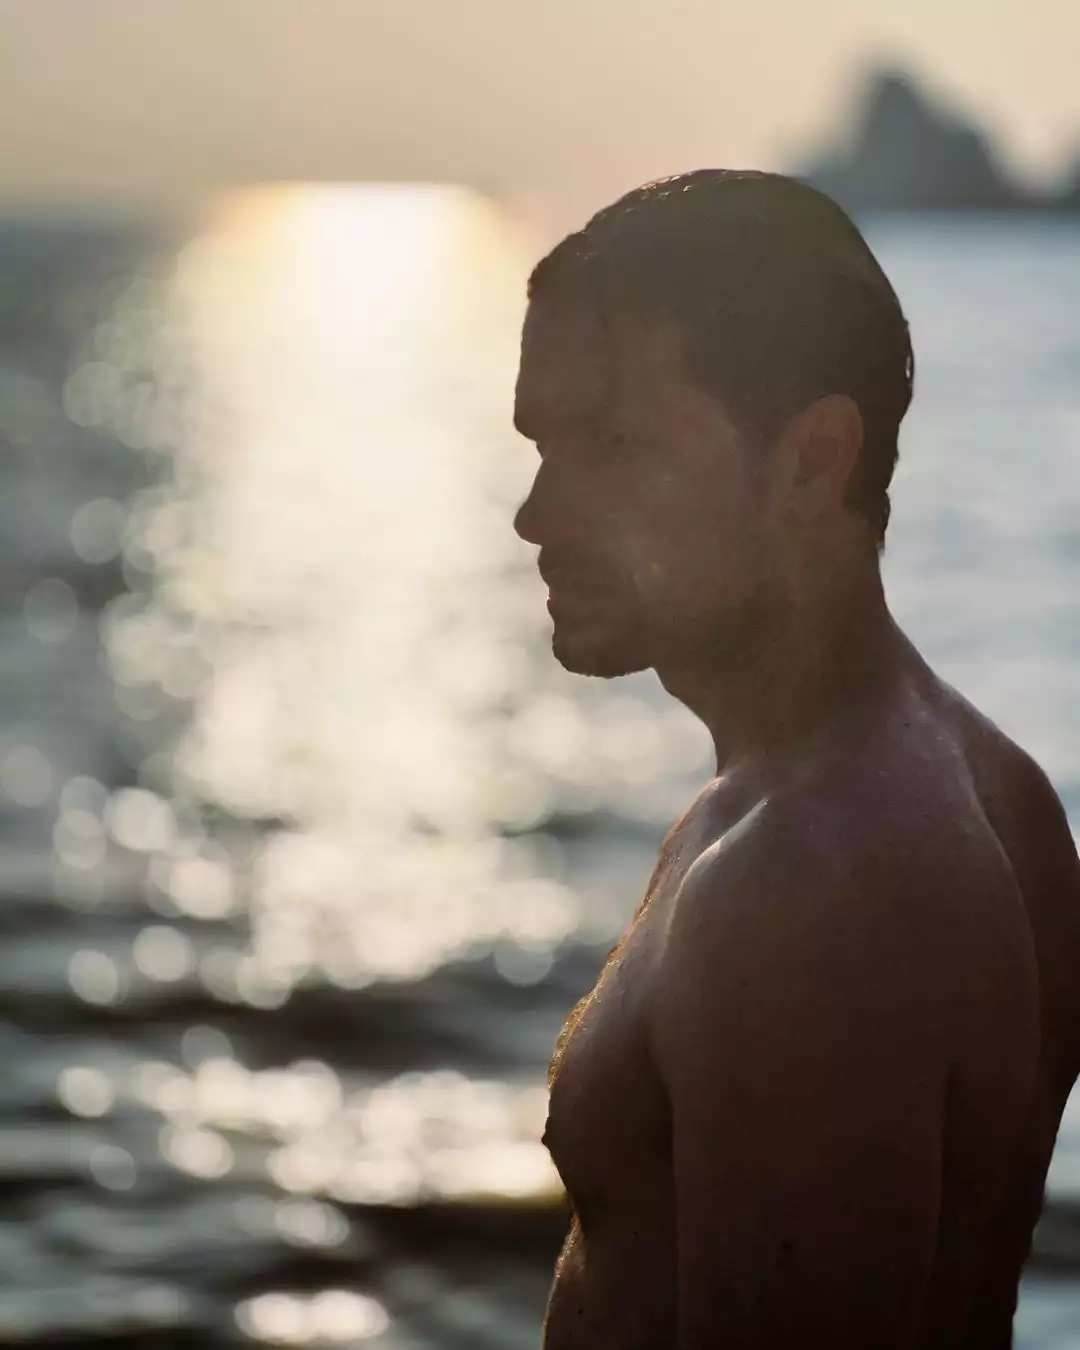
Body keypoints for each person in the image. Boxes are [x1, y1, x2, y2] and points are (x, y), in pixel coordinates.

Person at [510, 169, 1080, 1349]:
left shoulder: (808, 882)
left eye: (609, 444)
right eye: (542, 444)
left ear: (813, 461)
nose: (538, 513)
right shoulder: (994, 789)